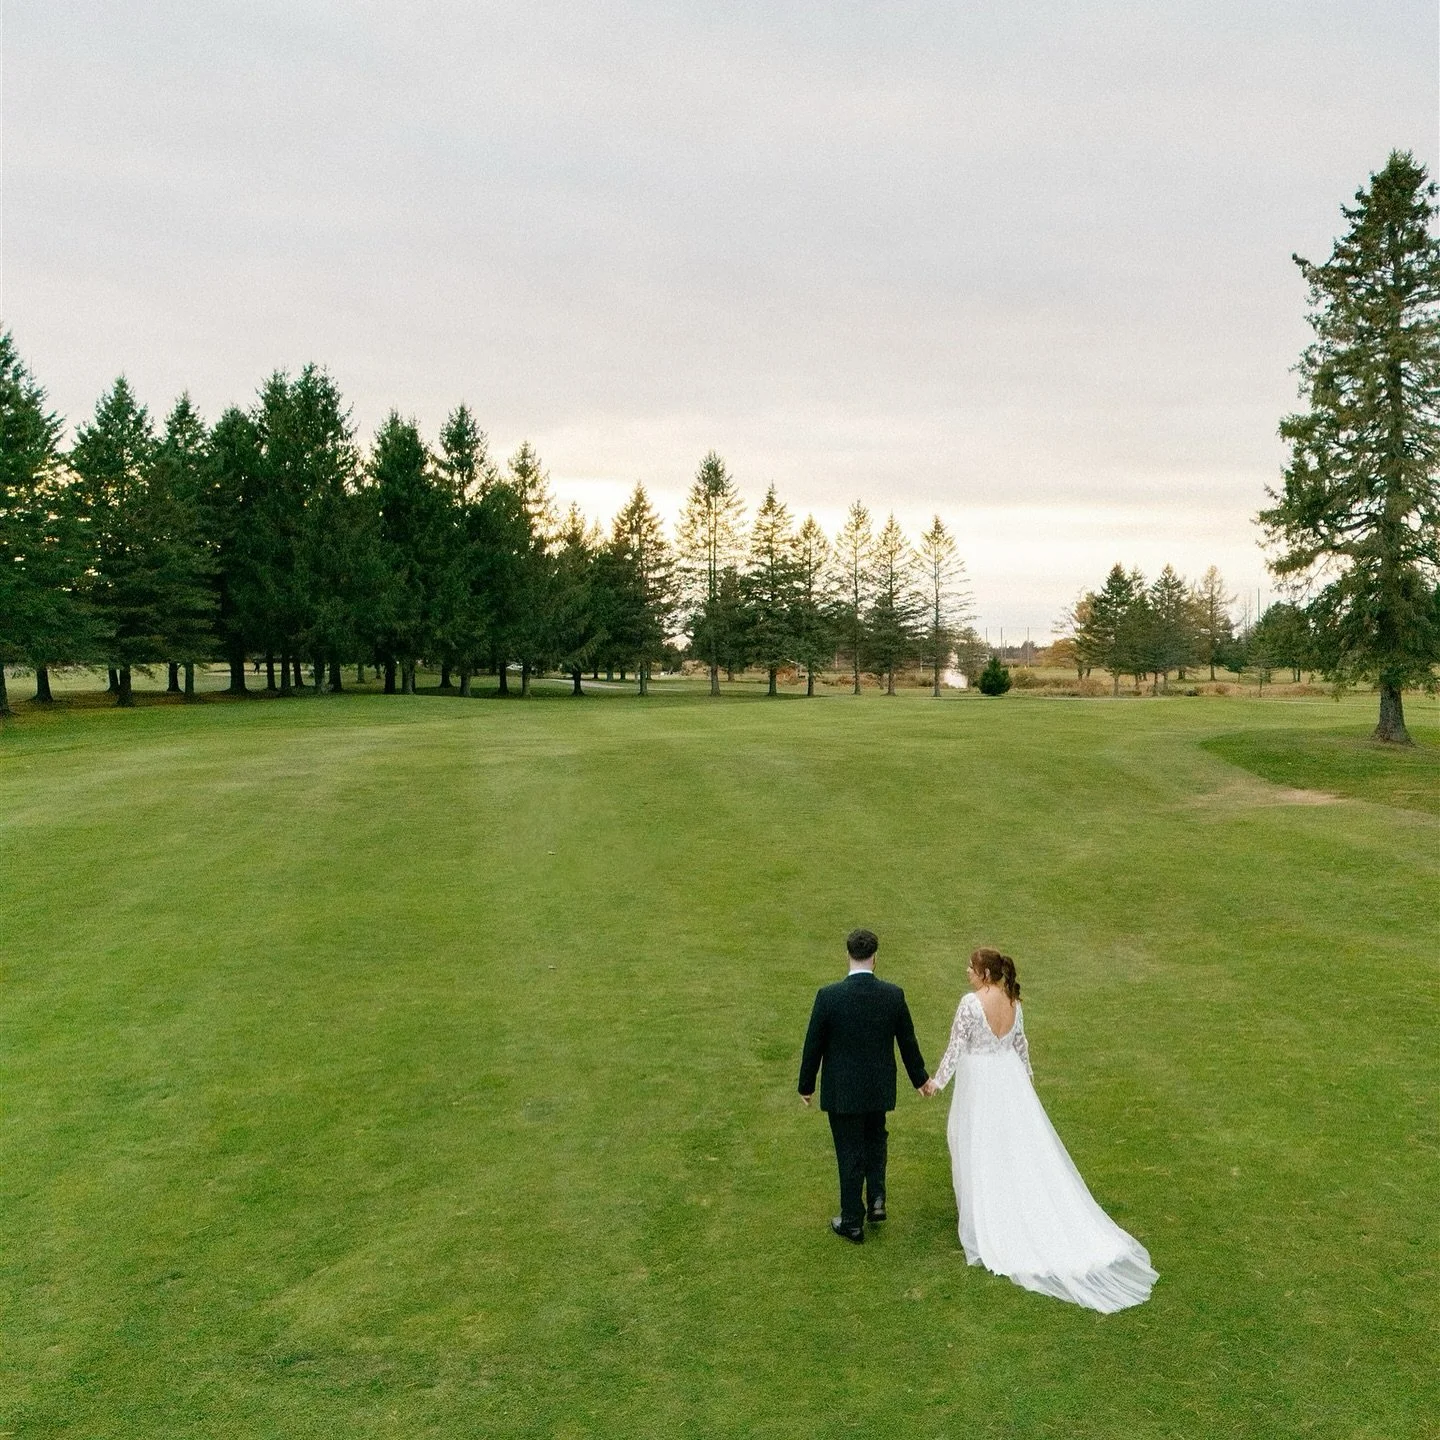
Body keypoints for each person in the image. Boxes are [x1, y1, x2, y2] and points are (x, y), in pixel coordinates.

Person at [927, 947, 1157, 1311]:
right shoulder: (1014, 1002)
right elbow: (1021, 1047)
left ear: (985, 974)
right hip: (1009, 1081)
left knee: (976, 1143)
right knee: (1014, 1146)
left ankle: (988, 1212)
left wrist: (936, 1083)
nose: (967, 972)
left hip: (982, 1084)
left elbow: (956, 1047)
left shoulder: (970, 1003)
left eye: (971, 968)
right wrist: (1026, 1086)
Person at [798, 928, 930, 1243]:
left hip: (842, 1092)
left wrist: (806, 1086)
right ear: (875, 957)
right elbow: (907, 1041)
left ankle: (852, 1220)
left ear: (848, 954)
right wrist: (920, 1079)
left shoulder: (828, 996)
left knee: (849, 1151)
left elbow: (812, 1044)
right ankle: (877, 1200)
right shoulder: (892, 995)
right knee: (875, 1142)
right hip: (878, 1088)